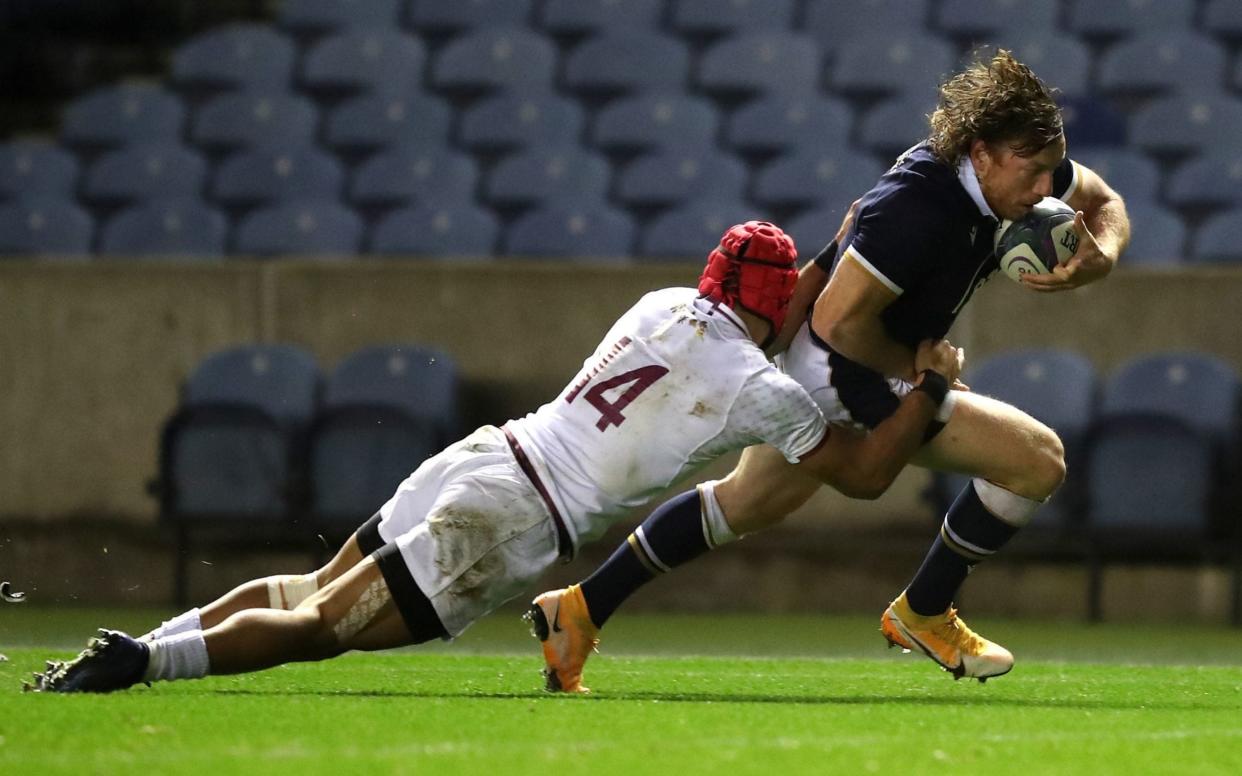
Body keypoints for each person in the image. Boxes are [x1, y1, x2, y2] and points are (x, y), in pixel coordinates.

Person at [29, 220, 966, 694]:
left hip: (487, 454)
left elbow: (764, 309)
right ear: (779, 302)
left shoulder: (659, 304)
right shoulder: (766, 391)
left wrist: (836, 247)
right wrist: (928, 391)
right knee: (323, 630)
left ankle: (151, 640)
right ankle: (141, 666)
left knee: (313, 584)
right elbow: (864, 473)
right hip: (512, 520)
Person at [532, 49, 1132, 690]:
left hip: (833, 359)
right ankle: (924, 611)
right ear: (980, 154)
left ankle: (579, 608)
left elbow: (1105, 199)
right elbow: (840, 322)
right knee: (1037, 461)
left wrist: (1105, 255)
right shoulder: (917, 207)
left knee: (745, 501)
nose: (1047, 189)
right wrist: (922, 372)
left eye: (1051, 170)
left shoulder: (1016, 174)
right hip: (843, 367)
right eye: (1033, 171)